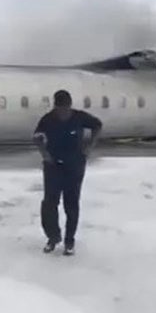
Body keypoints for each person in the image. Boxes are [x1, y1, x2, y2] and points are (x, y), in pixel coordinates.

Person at [32, 90, 103, 255]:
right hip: (53, 166)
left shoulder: (79, 117)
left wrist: (90, 147)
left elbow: (97, 125)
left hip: (74, 166)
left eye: (66, 109)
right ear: (55, 107)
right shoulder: (48, 120)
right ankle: (53, 237)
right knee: (49, 204)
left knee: (71, 205)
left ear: (70, 106)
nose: (63, 113)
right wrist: (45, 154)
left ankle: (69, 241)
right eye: (60, 110)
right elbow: (36, 137)